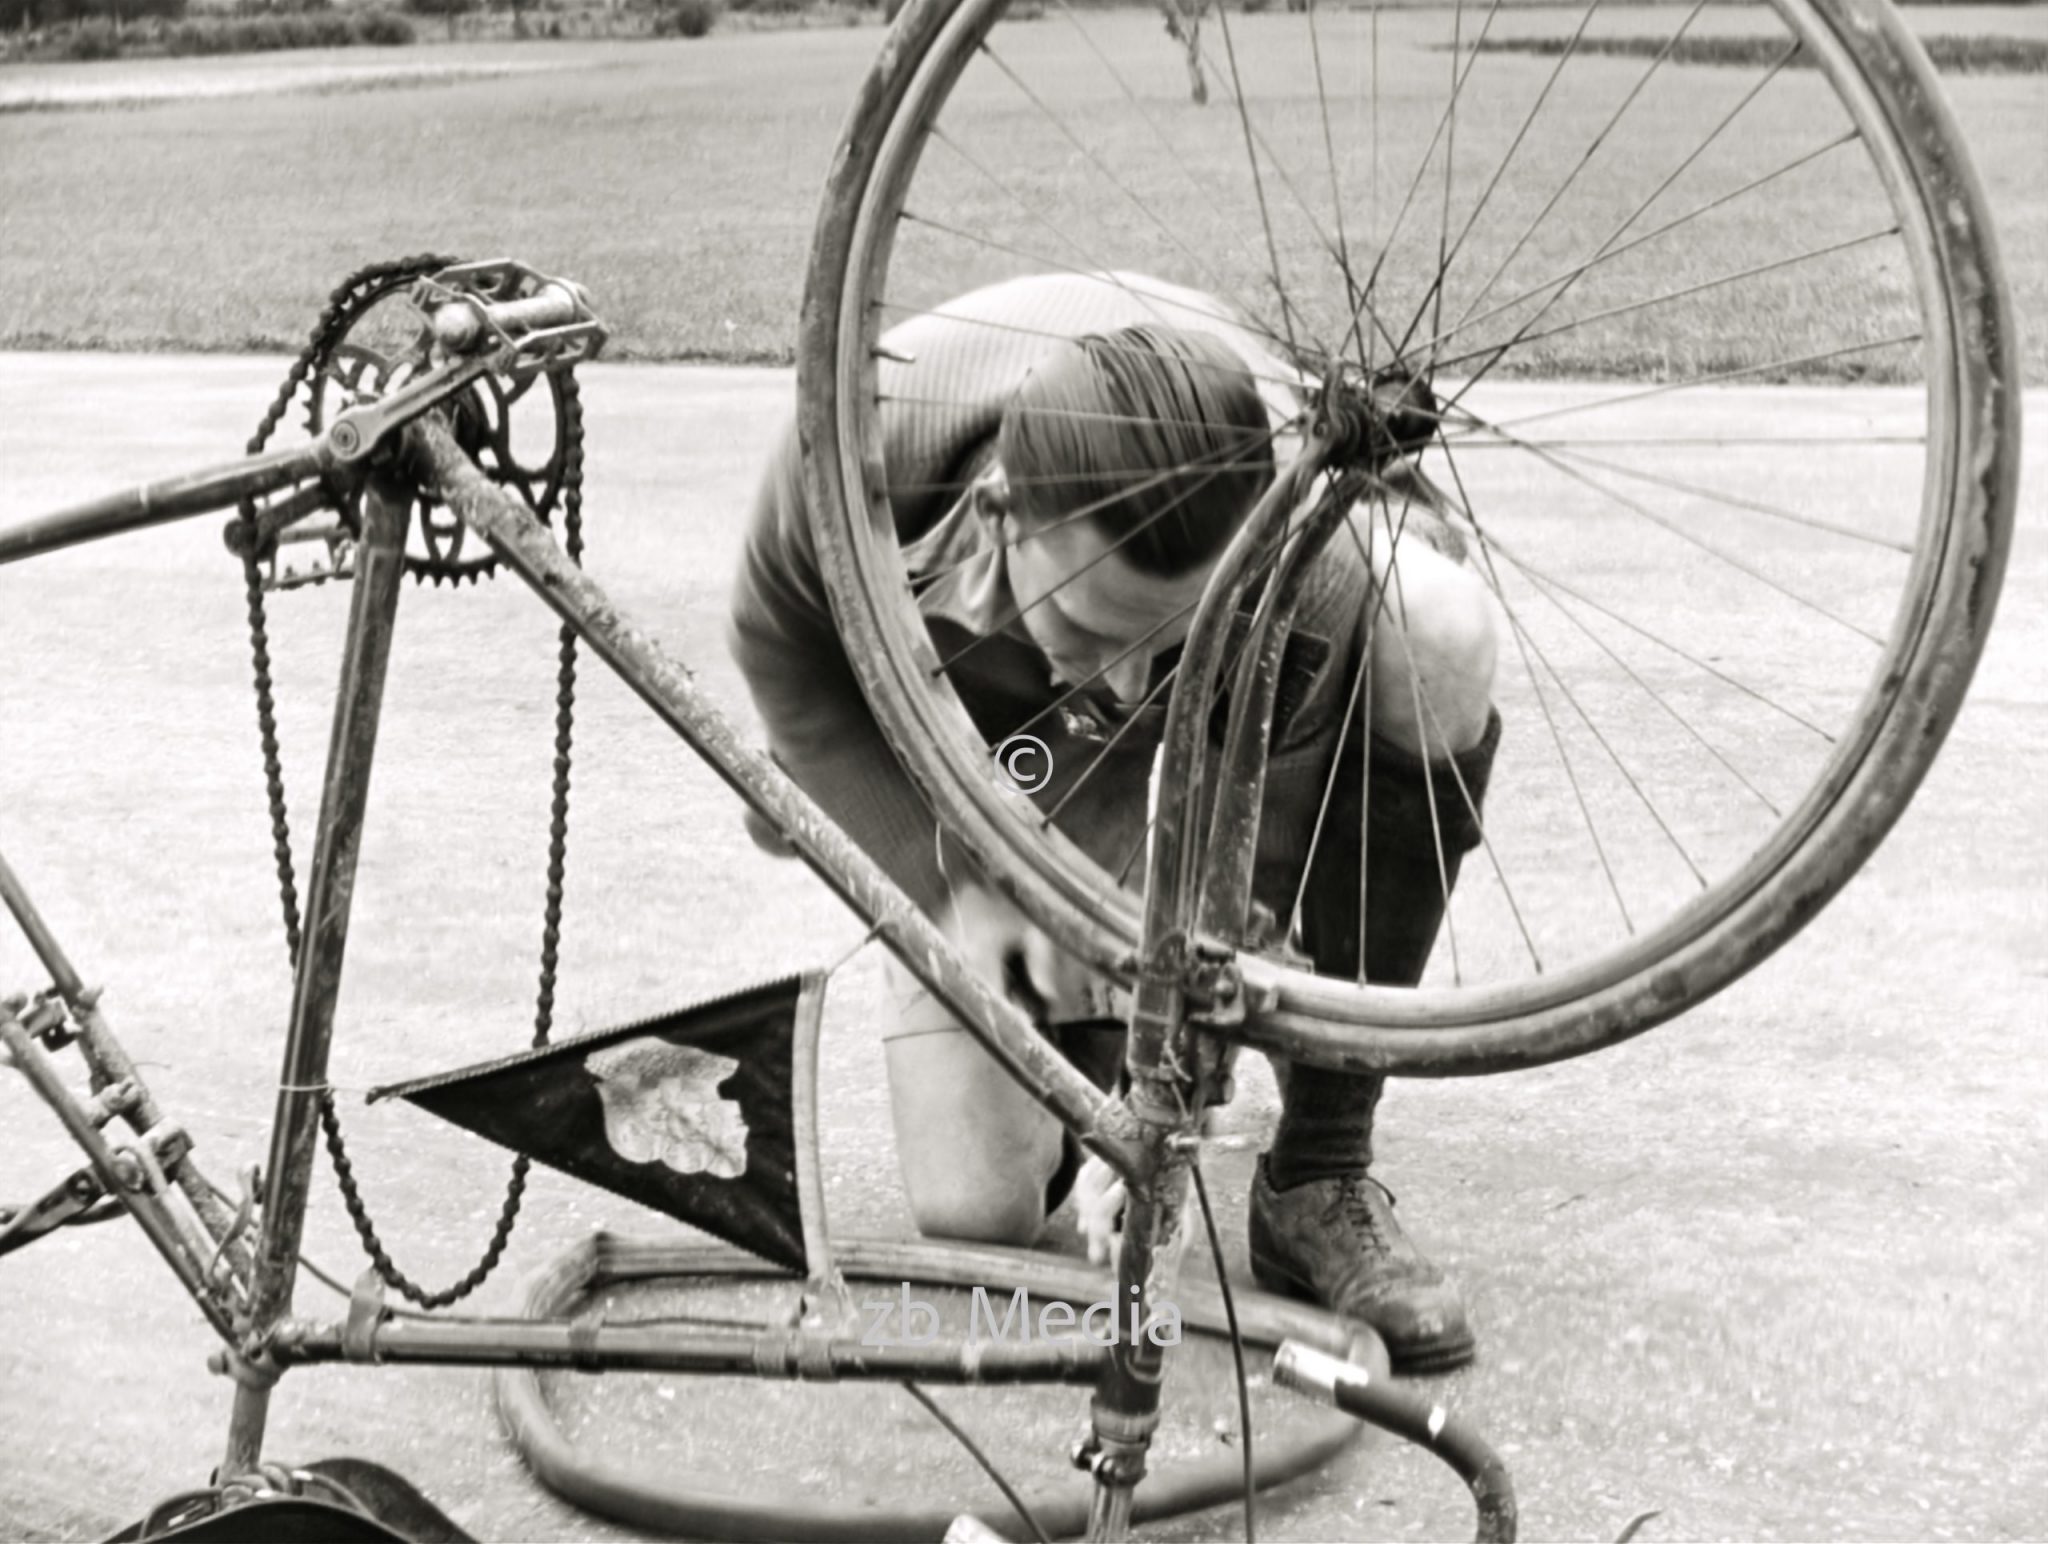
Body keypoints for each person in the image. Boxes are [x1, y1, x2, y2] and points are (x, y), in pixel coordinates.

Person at [728, 271, 1499, 1372]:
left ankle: (1318, 1169)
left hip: (1227, 694)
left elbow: (1247, 879)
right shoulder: (848, 465)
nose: (1134, 679)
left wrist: (1171, 1099)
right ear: (998, 511)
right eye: (1097, 627)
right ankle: (1073, 1028)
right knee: (975, 1211)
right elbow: (788, 675)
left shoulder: (1294, 551)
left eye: (1164, 639)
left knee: (1436, 630)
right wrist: (951, 884)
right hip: (991, 751)